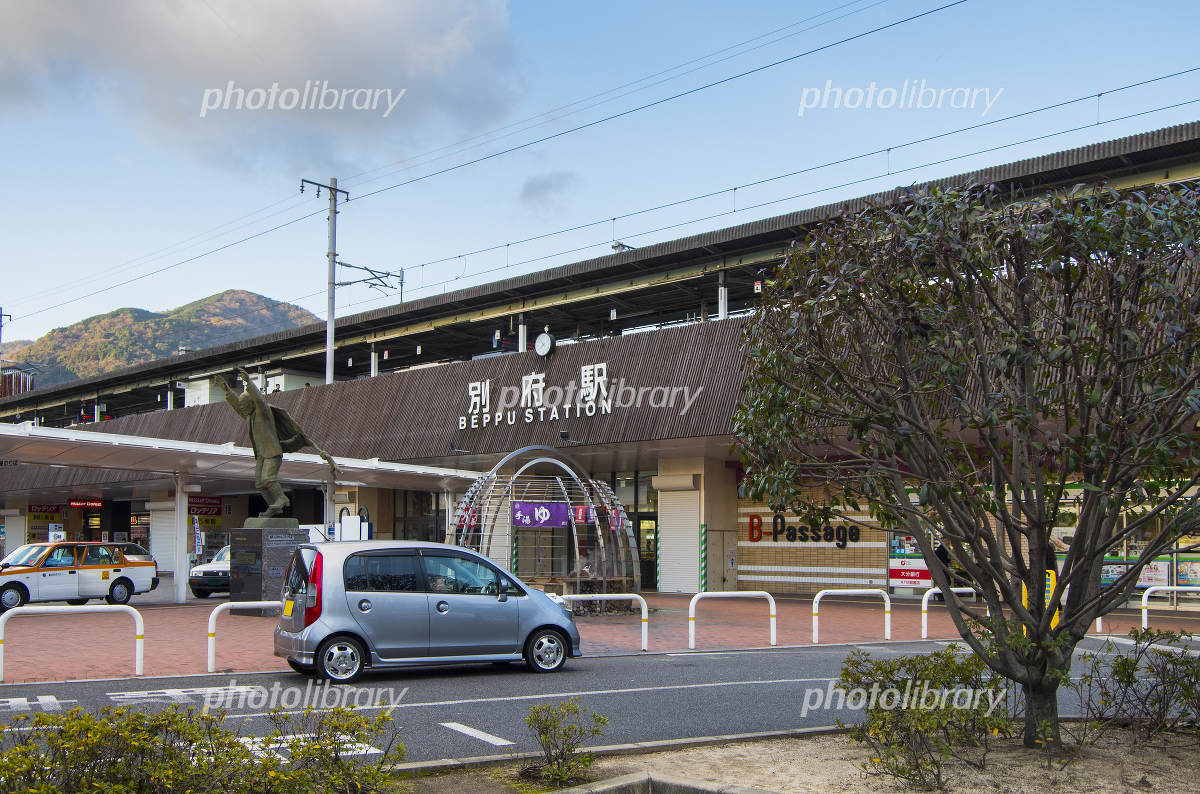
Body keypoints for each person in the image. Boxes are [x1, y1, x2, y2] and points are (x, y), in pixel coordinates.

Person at [216, 368, 340, 518]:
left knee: (268, 479)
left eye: (244, 404)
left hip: (272, 452)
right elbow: (237, 406)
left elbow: (260, 400)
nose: (242, 408)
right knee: (260, 484)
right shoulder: (249, 416)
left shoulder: (263, 412)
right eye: (242, 405)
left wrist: (248, 383)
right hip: (261, 455)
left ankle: (282, 499)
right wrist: (227, 390)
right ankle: (274, 506)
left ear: (252, 403)